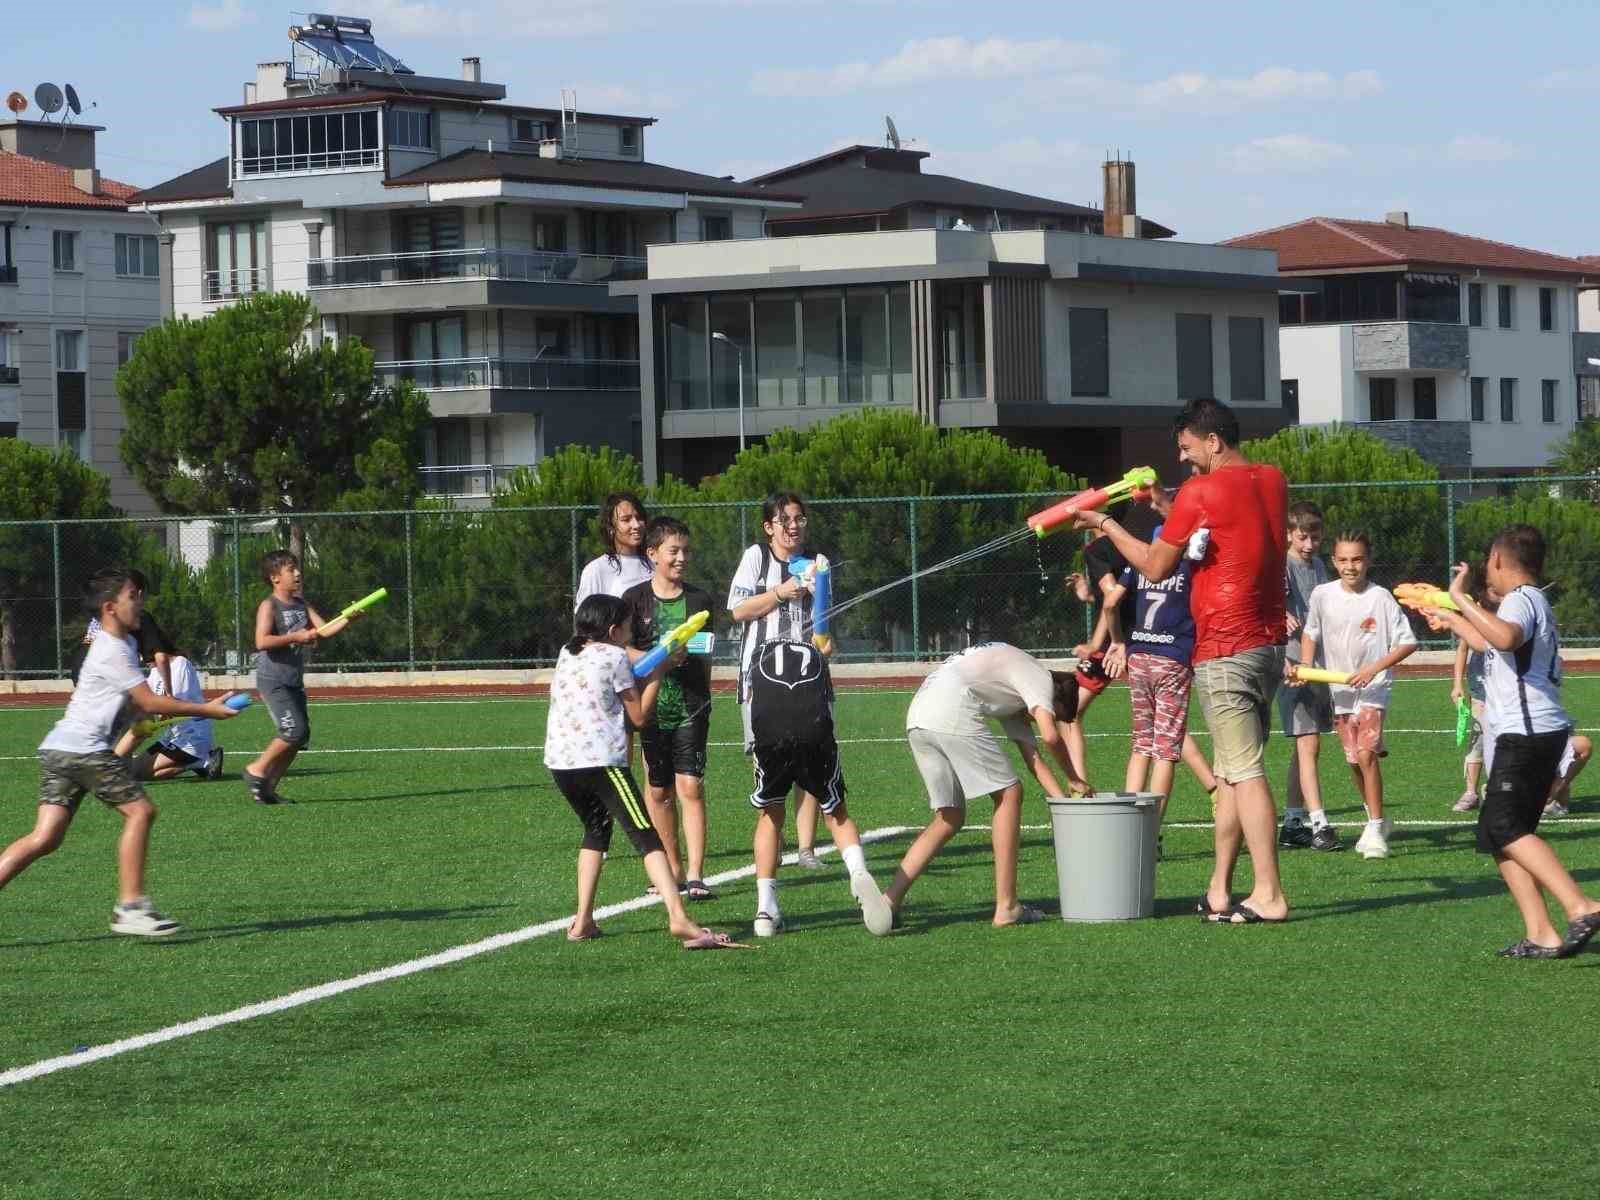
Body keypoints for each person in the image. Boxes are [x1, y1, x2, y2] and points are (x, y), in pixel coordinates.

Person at [1068, 398, 1290, 924]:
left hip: (1225, 648)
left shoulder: (1202, 490)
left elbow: (1153, 562)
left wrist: (1105, 525)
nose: (1185, 460)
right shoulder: (1271, 479)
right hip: (1268, 646)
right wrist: (1167, 504)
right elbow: (1225, 523)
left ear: (1212, 440)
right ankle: (1219, 888)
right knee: (1232, 772)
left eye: (1188, 448)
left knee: (1245, 772)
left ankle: (1269, 893)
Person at [0, 566, 241, 936]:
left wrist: (153, 717)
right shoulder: (113, 648)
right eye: (133, 596)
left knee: (44, 838)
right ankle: (130, 906)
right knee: (141, 812)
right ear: (111, 607)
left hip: (59, 748)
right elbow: (146, 698)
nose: (140, 602)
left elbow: (136, 705)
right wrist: (206, 709)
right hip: (86, 752)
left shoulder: (123, 645)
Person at [1420, 527, 1600, 958]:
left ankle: (1582, 905)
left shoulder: (1521, 598)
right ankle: (1541, 932)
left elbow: (1504, 637)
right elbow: (1489, 641)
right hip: (1532, 731)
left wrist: (1458, 597)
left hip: (1529, 732)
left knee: (1504, 827)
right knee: (1498, 834)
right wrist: (1452, 619)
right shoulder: (1534, 600)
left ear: (1498, 560)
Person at [546, 594, 735, 949]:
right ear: (615, 630)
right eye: (629, 629)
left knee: (595, 833)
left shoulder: (567, 653)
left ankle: (583, 921)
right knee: (647, 836)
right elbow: (638, 717)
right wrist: (659, 672)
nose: (632, 635)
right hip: (602, 762)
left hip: (561, 764)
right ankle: (679, 918)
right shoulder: (616, 655)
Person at [887, 643, 1089, 928]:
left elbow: (1034, 759)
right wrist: (1075, 778)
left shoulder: (1012, 692)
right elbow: (1051, 737)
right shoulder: (1040, 679)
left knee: (950, 816)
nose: (1040, 716)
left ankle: (889, 901)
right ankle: (1007, 907)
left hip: (920, 713)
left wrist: (1064, 805)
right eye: (1054, 714)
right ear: (1056, 695)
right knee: (1009, 793)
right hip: (951, 706)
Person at [745, 636, 892, 938]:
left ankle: (766, 908)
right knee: (836, 812)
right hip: (813, 730)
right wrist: (823, 654)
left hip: (771, 732)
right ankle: (858, 872)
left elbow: (751, 697)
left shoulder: (758, 648)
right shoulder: (813, 649)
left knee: (770, 815)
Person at [1296, 531, 1418, 860]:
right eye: (1344, 560)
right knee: (1353, 760)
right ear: (1334, 561)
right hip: (1340, 690)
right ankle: (1375, 817)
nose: (1351, 567)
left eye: (1358, 559)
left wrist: (1373, 669)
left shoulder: (1380, 598)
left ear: (1369, 560)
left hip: (1374, 689)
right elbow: (1311, 632)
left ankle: (1377, 827)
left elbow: (1407, 642)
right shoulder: (1322, 595)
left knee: (1366, 755)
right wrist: (1307, 667)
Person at [727, 492, 826, 869]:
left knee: (812, 753)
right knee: (767, 758)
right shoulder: (756, 556)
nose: (794, 526)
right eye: (785, 520)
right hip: (761, 673)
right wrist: (781, 592)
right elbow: (738, 610)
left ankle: (806, 849)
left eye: (799, 518)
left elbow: (825, 621)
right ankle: (772, 834)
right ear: (769, 527)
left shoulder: (818, 563)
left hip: (807, 673)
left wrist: (824, 636)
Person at [621, 517, 717, 899]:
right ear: (652, 554)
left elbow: (707, 649)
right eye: (673, 551)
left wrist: (693, 664)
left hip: (691, 706)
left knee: (690, 786)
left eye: (685, 551)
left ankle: (695, 873)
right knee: (659, 791)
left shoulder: (700, 600)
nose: (681, 558)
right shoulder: (634, 599)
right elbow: (620, 649)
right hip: (651, 707)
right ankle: (671, 869)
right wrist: (655, 655)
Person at [1110, 513, 1211, 846]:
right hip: (1172, 659)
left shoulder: (1140, 565)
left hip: (1139, 657)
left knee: (1141, 744)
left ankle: (1126, 828)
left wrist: (1117, 641)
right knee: (1166, 752)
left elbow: (1111, 601)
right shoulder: (1190, 569)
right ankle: (1149, 834)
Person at [242, 550, 358, 805]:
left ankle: (268, 789)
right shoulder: (269, 605)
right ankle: (256, 769)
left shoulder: (301, 604)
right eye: (290, 570)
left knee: (300, 736)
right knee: (293, 730)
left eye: (297, 569)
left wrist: (348, 618)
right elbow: (261, 641)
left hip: (293, 680)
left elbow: (323, 630)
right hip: (273, 679)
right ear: (275, 578)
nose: (297, 573)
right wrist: (296, 637)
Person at [1276, 502, 1340, 851]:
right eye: (1302, 537)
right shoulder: (1280, 565)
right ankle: (1319, 825)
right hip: (1290, 663)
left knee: (1306, 748)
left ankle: (1292, 822)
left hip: (1316, 664)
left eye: (1315, 537)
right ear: (1288, 534)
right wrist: (1278, 616)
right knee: (1308, 741)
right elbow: (1262, 601)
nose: (1309, 544)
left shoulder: (1317, 566)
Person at [113, 614, 225, 782]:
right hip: (171, 738)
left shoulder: (180, 664)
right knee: (135, 772)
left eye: (142, 652)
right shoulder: (153, 675)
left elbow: (175, 706)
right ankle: (200, 765)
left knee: (138, 774)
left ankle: (202, 760)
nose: (142, 659)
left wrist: (158, 711)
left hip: (191, 738)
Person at [1450, 563, 1490, 813]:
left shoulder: (1506, 617)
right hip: (1479, 693)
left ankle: (1495, 787)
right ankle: (1470, 792)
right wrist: (1457, 684)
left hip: (1504, 697)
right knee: (1476, 741)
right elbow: (1462, 649)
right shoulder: (1472, 618)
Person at [574, 492, 653, 608]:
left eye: (639, 518)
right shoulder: (596, 570)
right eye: (626, 520)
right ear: (610, 527)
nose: (636, 525)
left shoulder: (655, 563)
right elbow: (585, 621)